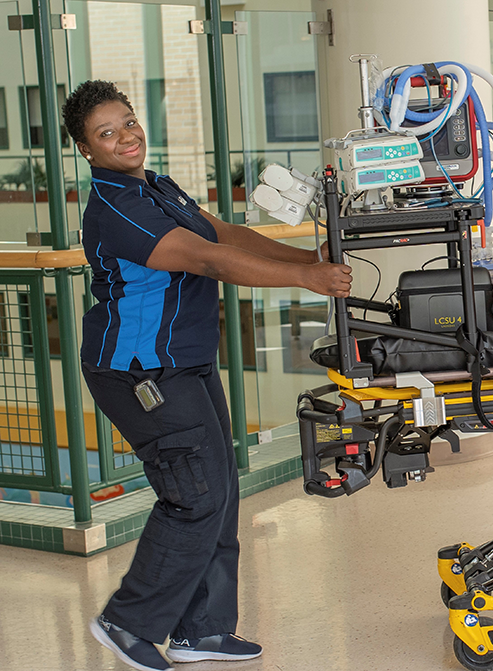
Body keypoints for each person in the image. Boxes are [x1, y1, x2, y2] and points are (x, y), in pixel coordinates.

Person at [63, 80, 352, 671]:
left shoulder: (156, 188)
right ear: (86, 150)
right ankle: (126, 621)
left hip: (185, 362)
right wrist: (305, 282)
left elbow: (224, 235)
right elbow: (206, 259)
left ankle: (205, 631)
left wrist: (309, 259)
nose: (125, 137)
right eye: (106, 133)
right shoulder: (115, 208)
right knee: (195, 494)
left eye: (128, 122)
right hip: (140, 371)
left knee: (219, 491)